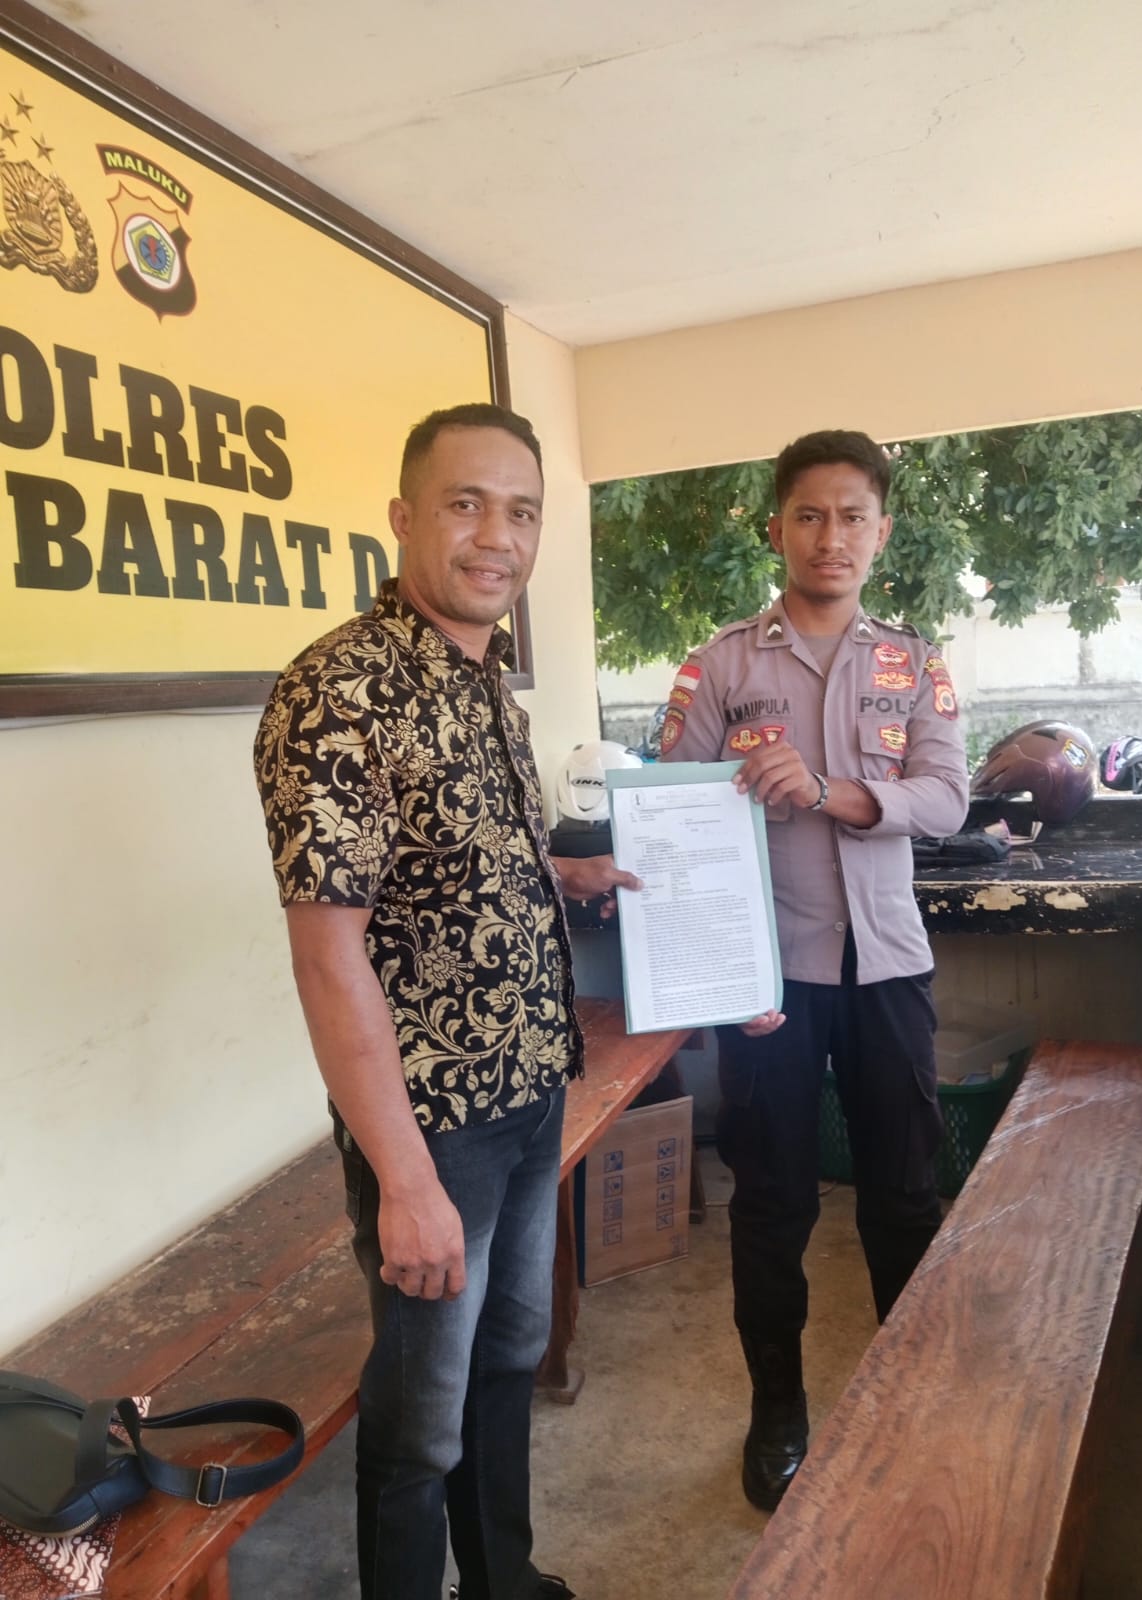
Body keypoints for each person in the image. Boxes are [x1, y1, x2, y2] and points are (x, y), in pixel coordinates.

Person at [254, 403, 638, 1600]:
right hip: (433, 1130)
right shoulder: (339, 689)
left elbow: (445, 874)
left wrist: (559, 875)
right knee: (419, 1420)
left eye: (521, 511)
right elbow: (330, 957)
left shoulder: (489, 687)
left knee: (509, 1356)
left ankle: (502, 1580)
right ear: (404, 516)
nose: (497, 536)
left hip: (530, 1088)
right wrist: (406, 1182)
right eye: (466, 504)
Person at [660, 428, 969, 1513]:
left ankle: (907, 1401)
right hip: (767, 982)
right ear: (777, 528)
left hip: (888, 970)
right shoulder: (720, 665)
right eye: (809, 515)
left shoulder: (915, 663)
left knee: (904, 1195)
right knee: (772, 1203)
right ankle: (778, 1409)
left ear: (881, 533)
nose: (830, 537)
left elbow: (948, 798)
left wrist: (832, 790)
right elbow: (672, 817)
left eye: (852, 517)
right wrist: (716, 971)